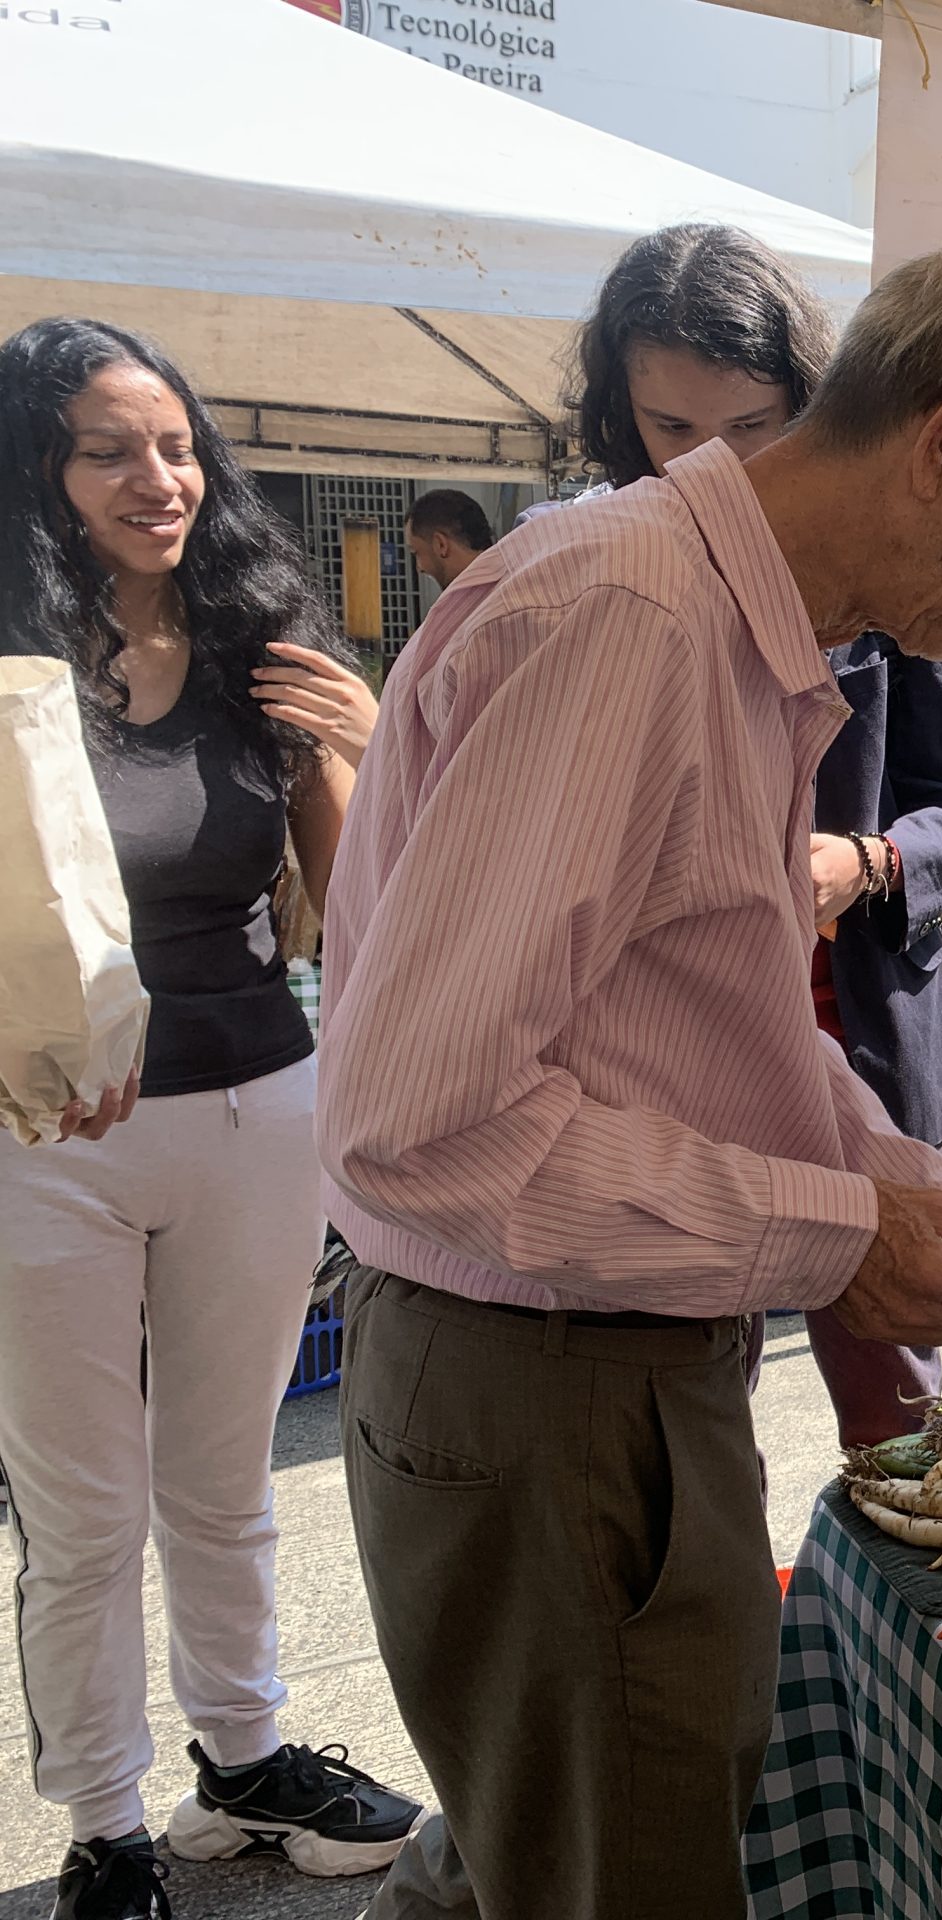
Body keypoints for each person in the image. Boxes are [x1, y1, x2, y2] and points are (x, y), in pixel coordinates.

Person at [314, 242, 942, 1920]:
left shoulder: (724, 626)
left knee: (577, 1840)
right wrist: (825, 1242)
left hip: (598, 1360)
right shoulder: (628, 614)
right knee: (611, 1872)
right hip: (543, 1377)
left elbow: (721, 1028)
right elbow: (418, 1122)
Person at [0, 319, 423, 1920]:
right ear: (40, 467)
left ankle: (242, 1757)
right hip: (48, 1141)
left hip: (257, 1104)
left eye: (175, 446)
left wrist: (368, 744)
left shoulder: (263, 648)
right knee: (84, 1512)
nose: (157, 479)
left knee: (225, 1480)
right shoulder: (8, 668)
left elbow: (375, 903)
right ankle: (104, 1824)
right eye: (110, 448)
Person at [562, 223, 942, 1445]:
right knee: (703, 1402)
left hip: (855, 1036)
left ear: (818, 415)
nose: (715, 470)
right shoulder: (606, 591)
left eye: (751, 431)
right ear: (617, 418)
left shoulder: (875, 581)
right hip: (679, 1076)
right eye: (670, 432)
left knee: (905, 1411)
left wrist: (864, 863)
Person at [399, 489, 491, 590]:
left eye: (416, 553)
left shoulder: (478, 603)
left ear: (441, 545)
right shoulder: (508, 577)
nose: (419, 568)